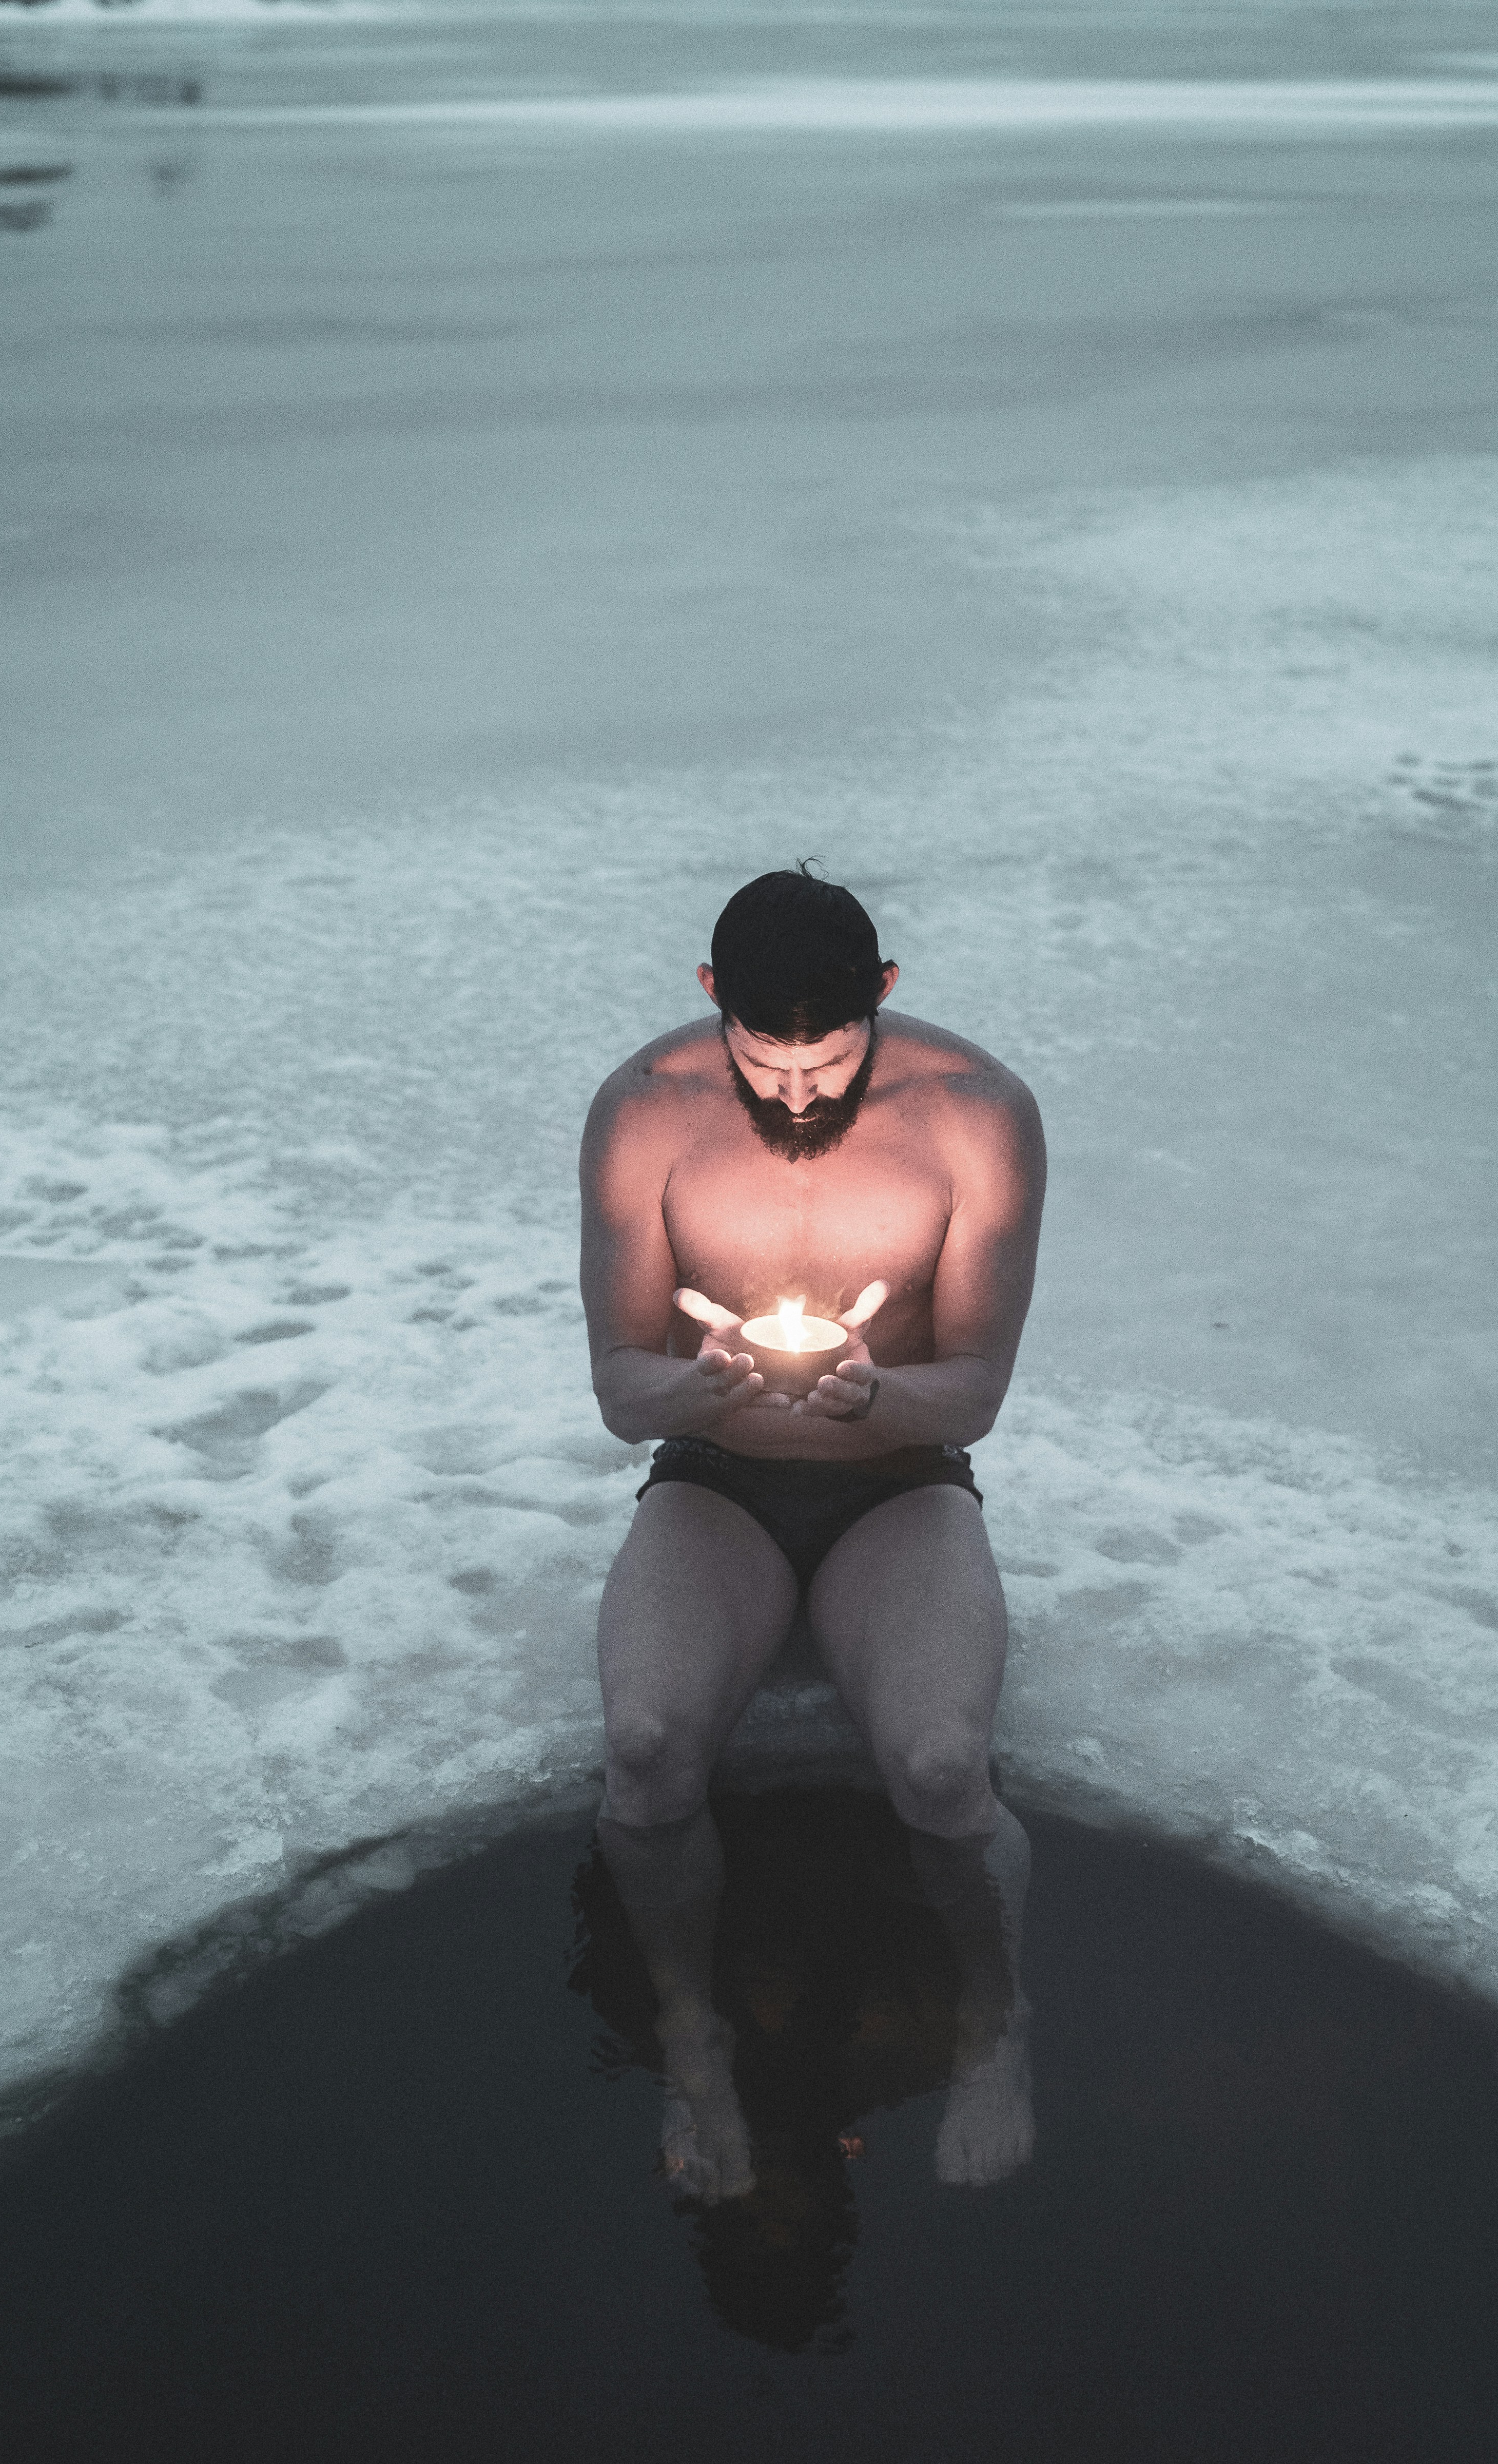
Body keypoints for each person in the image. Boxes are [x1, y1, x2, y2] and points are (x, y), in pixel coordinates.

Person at [578, 864, 1046, 2199]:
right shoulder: (643, 1112)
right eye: (764, 1060)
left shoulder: (978, 1116)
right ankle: (692, 2039)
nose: (796, 1094)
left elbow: (980, 1391)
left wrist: (875, 1390)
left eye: (830, 1062)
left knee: (949, 1769)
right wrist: (704, 1383)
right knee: (648, 1751)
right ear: (711, 998)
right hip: (715, 1476)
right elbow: (623, 1390)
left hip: (897, 1480)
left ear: (885, 999)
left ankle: (997, 2029)